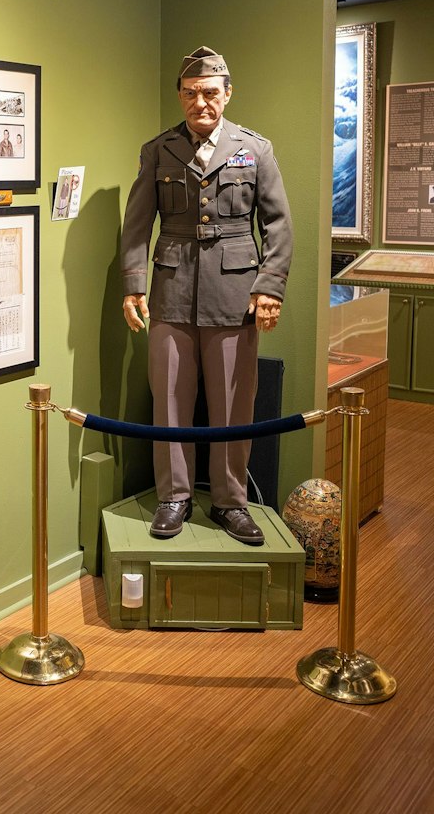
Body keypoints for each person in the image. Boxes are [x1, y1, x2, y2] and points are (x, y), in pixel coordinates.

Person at [118, 46, 292, 546]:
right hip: (171, 292)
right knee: (170, 400)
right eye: (191, 93)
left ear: (227, 93)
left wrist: (269, 288)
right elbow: (137, 224)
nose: (201, 103)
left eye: (210, 93)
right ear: (180, 95)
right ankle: (173, 496)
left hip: (235, 294)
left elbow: (278, 224)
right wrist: (133, 285)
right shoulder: (158, 151)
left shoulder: (255, 149)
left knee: (234, 405)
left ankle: (230, 501)